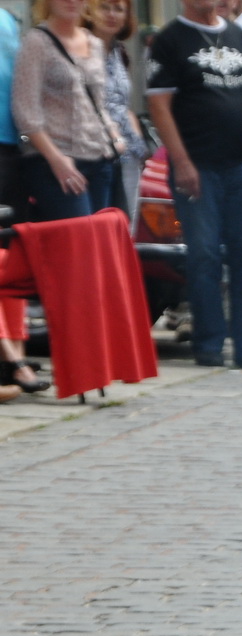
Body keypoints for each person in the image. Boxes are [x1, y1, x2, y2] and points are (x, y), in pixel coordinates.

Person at [147, 0, 242, 369]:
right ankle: (209, 344)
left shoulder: (238, 34)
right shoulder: (169, 39)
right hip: (197, 166)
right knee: (204, 256)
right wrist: (180, 162)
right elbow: (160, 106)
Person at [13, 0, 118, 221]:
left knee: (100, 245)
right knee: (78, 243)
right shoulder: (36, 42)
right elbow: (25, 111)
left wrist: (114, 135)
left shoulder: (96, 44)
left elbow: (99, 104)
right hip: (56, 161)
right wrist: (56, 158)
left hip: (100, 158)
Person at [0, 2, 44, 400]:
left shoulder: (10, 20)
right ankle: (13, 361)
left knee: (7, 259)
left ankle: (15, 358)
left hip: (11, 149)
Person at [85, 0, 147, 220]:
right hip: (95, 152)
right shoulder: (79, 46)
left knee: (124, 230)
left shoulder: (119, 51)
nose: (111, 14)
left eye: (119, 9)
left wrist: (136, 135)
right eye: (104, 7)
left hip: (129, 153)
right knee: (98, 226)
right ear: (90, 11)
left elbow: (123, 102)